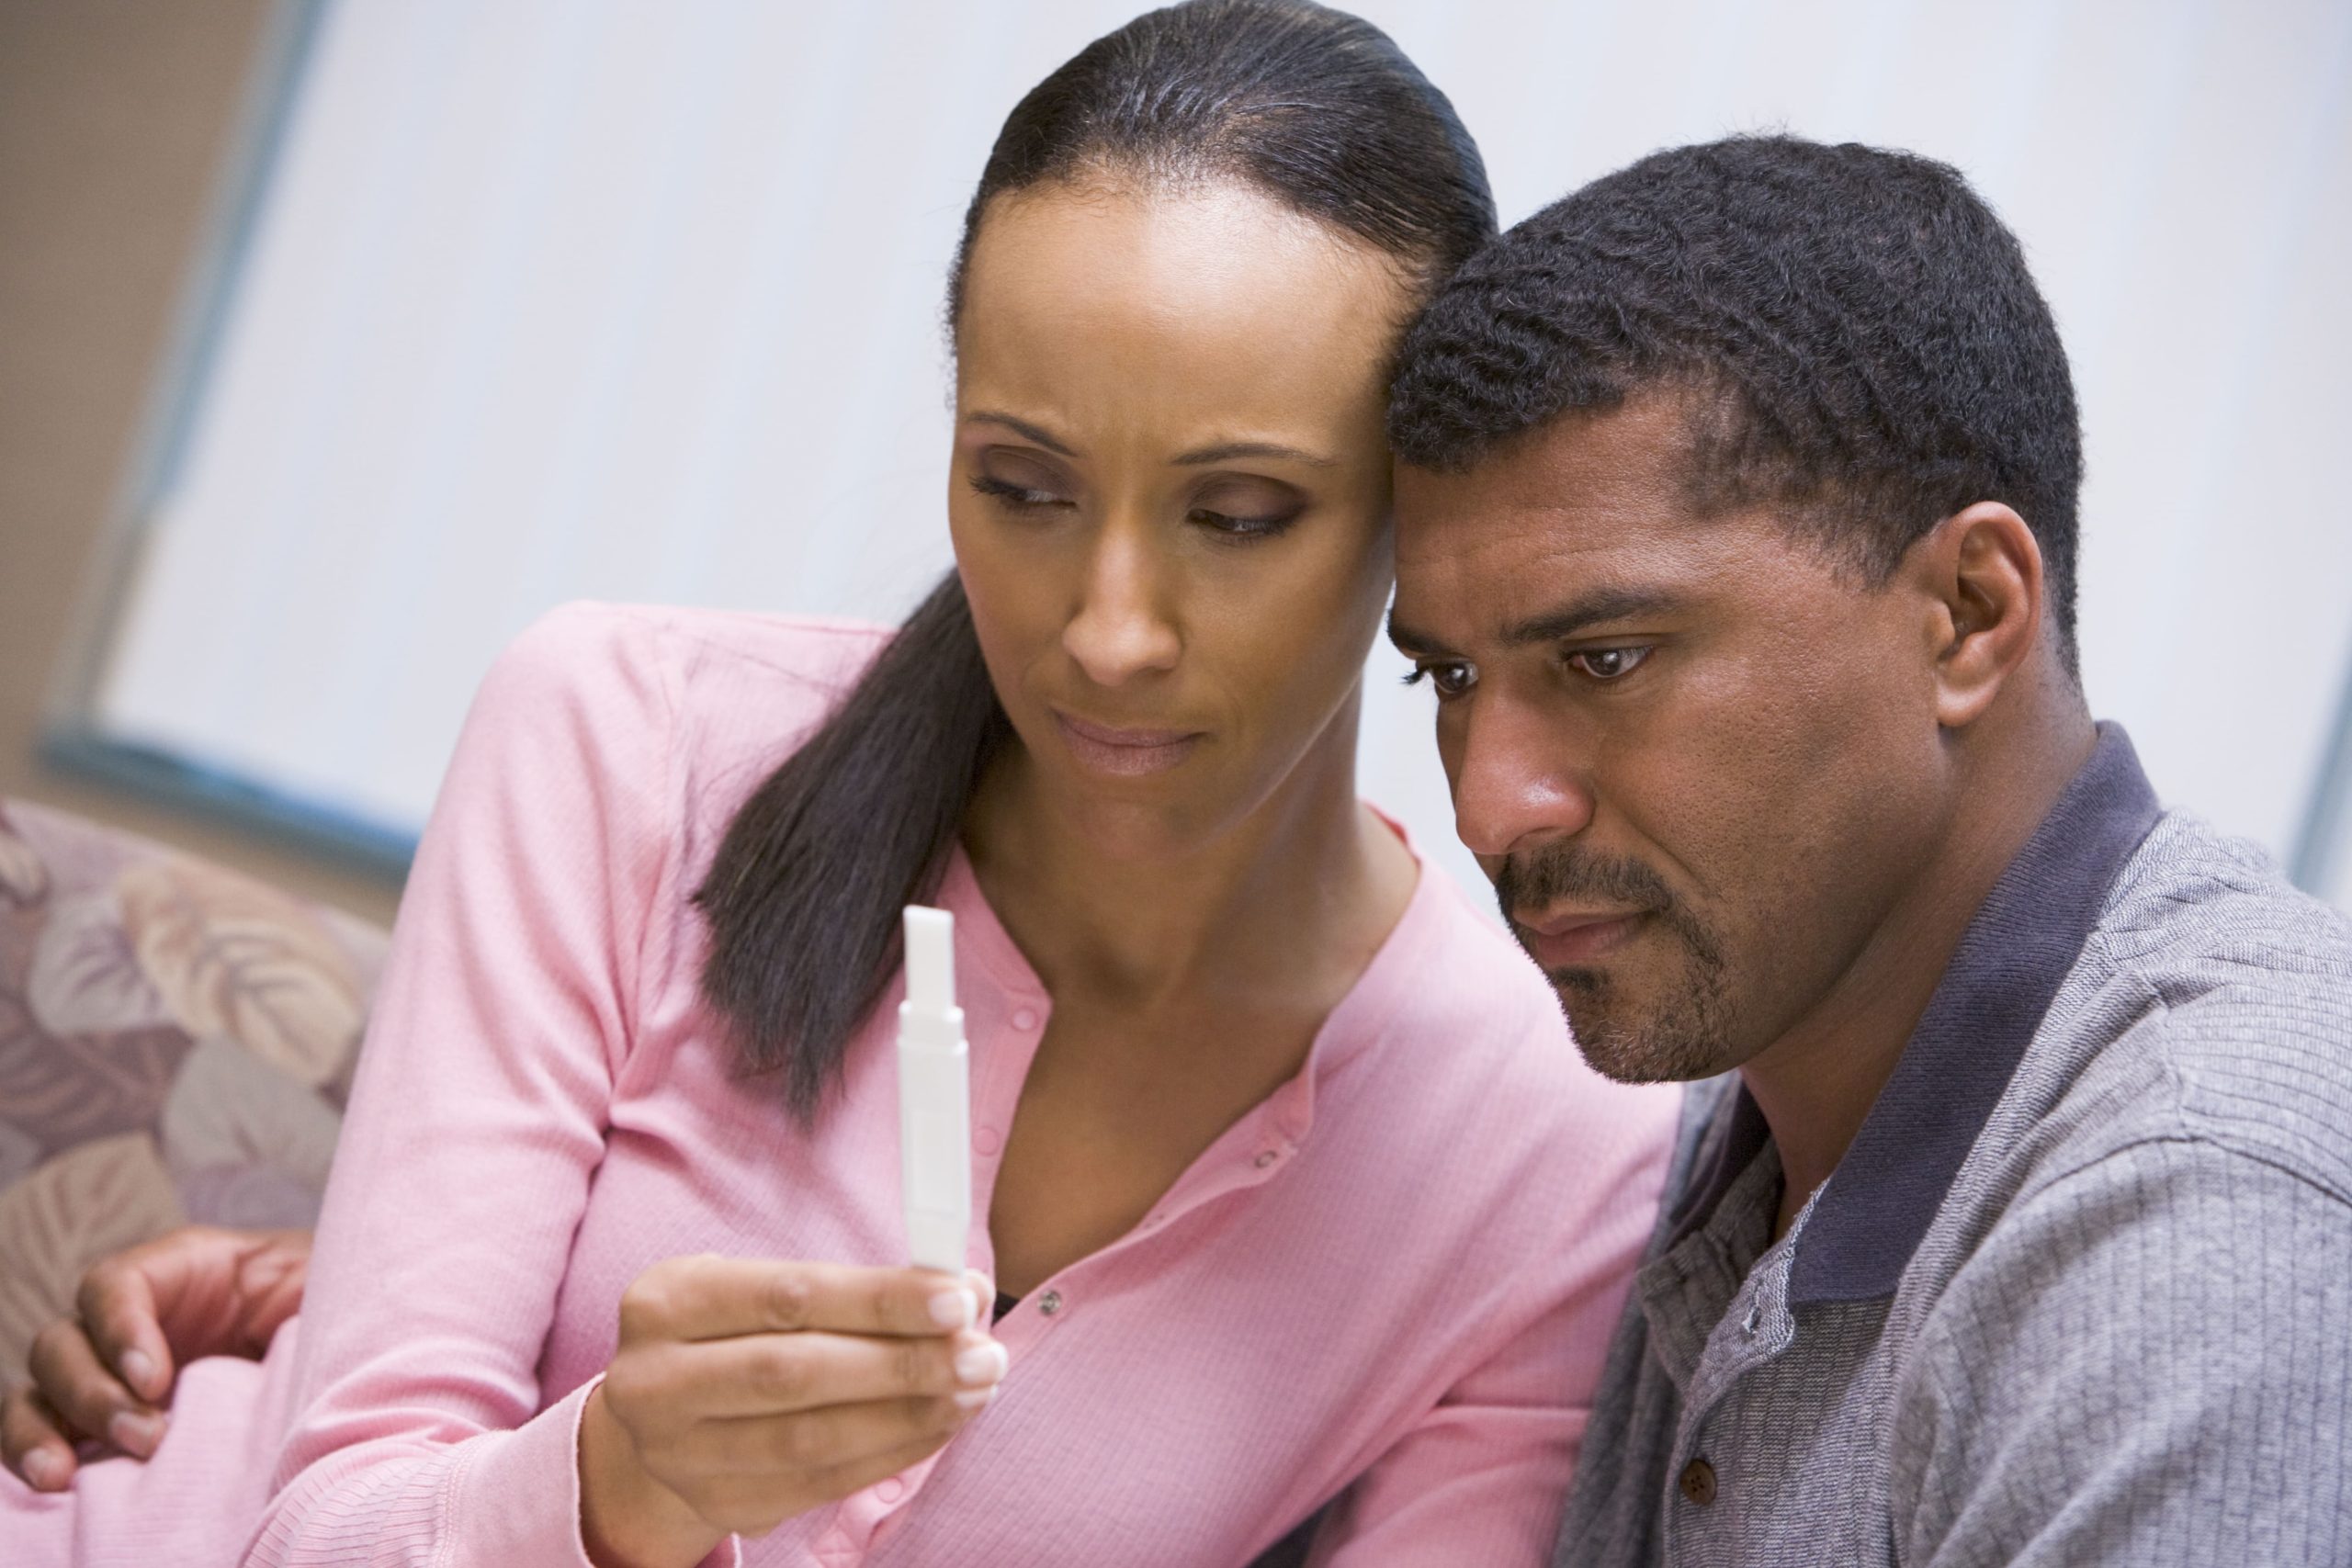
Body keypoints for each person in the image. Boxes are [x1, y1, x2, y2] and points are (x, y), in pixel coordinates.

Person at [0, 4, 1679, 1566]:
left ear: (1422, 517)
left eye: (1237, 518)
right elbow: (330, 1528)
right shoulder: (623, 740)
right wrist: (612, 1483)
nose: (1104, 633)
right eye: (1020, 485)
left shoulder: (1553, 1159)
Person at [1378, 134, 2352, 1565]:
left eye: (1606, 658)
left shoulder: (2199, 1225)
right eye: (1450, 681)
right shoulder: (1758, 1087)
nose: (1491, 805)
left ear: (1966, 612)